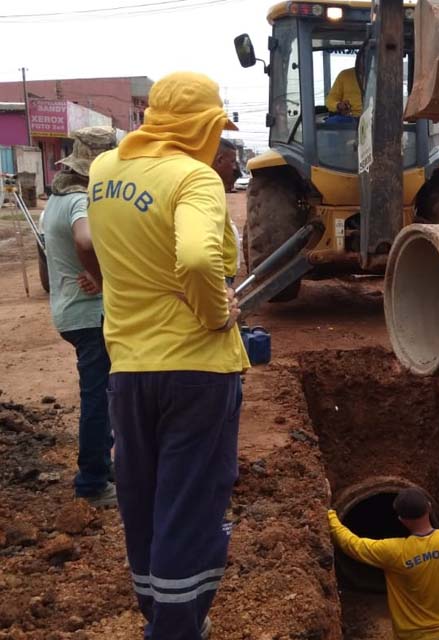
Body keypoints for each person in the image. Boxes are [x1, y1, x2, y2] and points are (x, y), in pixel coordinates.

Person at [86, 71, 249, 640]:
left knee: (143, 498)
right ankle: (177, 630)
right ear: (203, 126)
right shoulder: (195, 178)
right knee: (190, 504)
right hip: (197, 372)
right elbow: (201, 261)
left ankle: (159, 615)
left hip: (128, 368)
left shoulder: (102, 172)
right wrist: (214, 313)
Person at [41, 126, 118, 508]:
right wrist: (101, 278)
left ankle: (103, 466)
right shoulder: (78, 200)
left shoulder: (55, 197)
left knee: (105, 394)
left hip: (71, 312)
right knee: (98, 399)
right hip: (89, 315)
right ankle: (92, 482)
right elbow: (86, 241)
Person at [328, 487, 439, 640]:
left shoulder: (394, 551)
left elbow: (353, 545)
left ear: (401, 520)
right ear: (429, 508)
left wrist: (330, 514)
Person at [212, 138, 243, 283]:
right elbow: (196, 256)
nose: (235, 168)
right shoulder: (206, 191)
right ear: (219, 160)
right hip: (217, 275)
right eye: (232, 162)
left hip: (223, 272)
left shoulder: (215, 188)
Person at [325, 51, 365, 120]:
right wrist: (339, 105)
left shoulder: (382, 77)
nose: (364, 62)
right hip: (350, 117)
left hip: (375, 118)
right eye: (362, 58)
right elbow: (330, 100)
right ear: (357, 60)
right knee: (333, 122)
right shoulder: (344, 75)